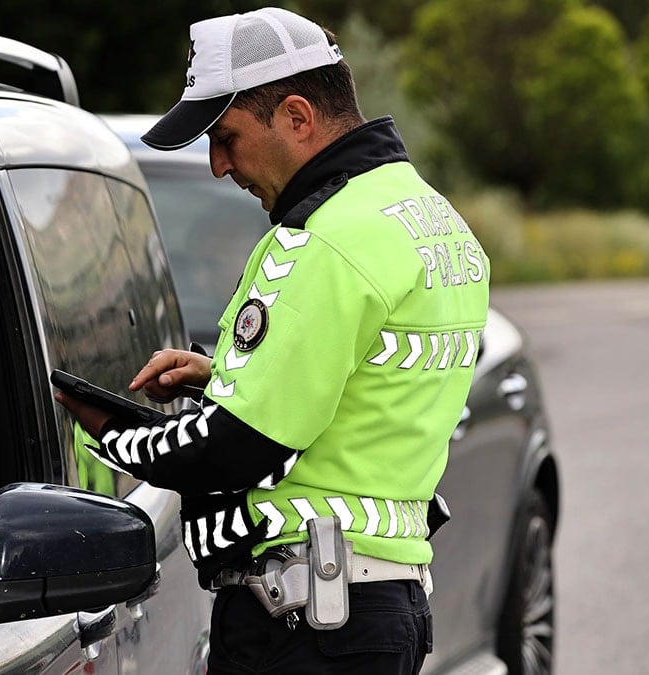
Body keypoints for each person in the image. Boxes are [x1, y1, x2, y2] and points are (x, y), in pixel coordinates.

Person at [55, 7, 489, 674]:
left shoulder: (323, 240)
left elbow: (235, 450)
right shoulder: (434, 221)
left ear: (296, 116)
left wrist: (97, 421)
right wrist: (223, 376)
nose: (218, 166)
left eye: (226, 137)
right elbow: (366, 387)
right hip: (375, 608)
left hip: (306, 626)